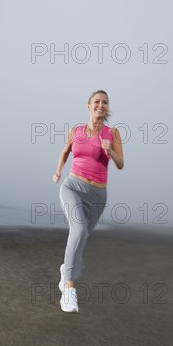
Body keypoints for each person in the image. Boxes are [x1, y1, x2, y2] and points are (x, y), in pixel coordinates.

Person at [52, 90, 124, 313]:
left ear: (107, 107)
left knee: (82, 237)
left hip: (98, 196)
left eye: (105, 102)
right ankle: (69, 290)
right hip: (72, 186)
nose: (101, 105)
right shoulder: (76, 131)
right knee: (79, 230)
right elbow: (66, 152)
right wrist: (58, 172)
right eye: (96, 102)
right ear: (88, 106)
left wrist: (110, 150)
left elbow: (121, 164)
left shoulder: (113, 133)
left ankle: (67, 270)